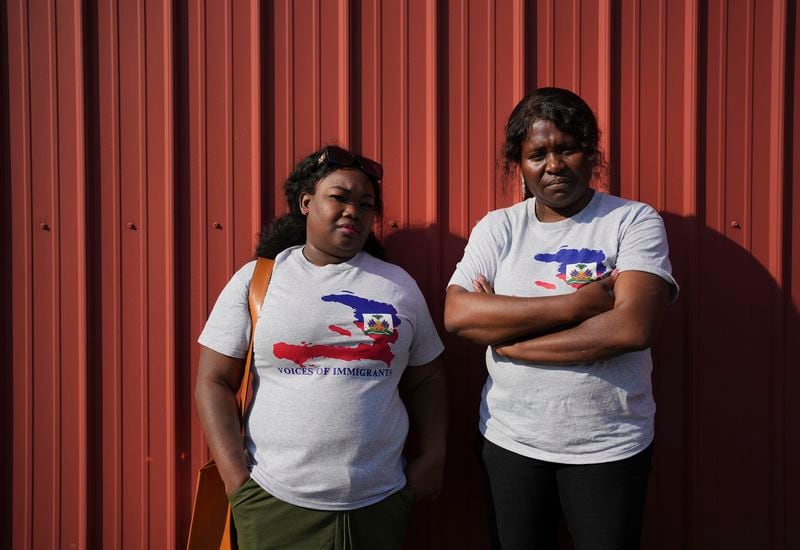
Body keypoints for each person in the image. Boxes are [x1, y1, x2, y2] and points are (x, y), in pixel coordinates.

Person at [444, 87, 678, 550]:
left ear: (591, 154)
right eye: (537, 154)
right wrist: (576, 306)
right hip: (510, 443)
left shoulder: (631, 221)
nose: (553, 165)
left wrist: (511, 340)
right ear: (520, 163)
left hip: (608, 444)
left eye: (567, 149)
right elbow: (459, 313)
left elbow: (632, 328)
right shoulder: (499, 227)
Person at [195, 145, 447, 549]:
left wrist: (432, 458)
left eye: (366, 204)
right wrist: (236, 481)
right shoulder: (260, 279)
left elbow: (428, 377)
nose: (354, 211)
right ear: (306, 203)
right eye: (339, 197)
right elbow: (212, 381)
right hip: (273, 501)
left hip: (380, 503)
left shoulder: (398, 285)